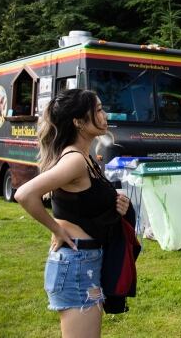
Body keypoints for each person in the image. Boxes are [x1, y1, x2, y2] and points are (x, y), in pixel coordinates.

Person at [15, 89, 133, 338]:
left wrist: (117, 204)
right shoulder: (75, 160)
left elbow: (84, 204)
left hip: (86, 261)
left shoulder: (85, 158)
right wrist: (56, 229)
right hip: (77, 263)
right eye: (98, 110)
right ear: (78, 122)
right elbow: (25, 194)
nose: (104, 114)